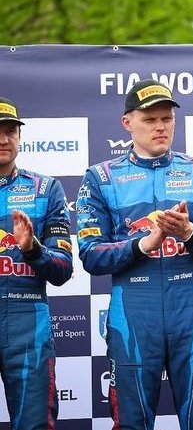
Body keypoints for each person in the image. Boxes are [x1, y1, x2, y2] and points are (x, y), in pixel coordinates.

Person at [76, 80, 193, 429]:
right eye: (149, 120)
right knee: (131, 423)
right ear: (127, 123)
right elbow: (90, 255)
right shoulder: (101, 177)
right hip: (134, 312)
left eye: (167, 119)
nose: (160, 127)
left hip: (191, 310)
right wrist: (143, 244)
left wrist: (190, 233)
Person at [0, 96, 73, 430]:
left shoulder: (46, 189)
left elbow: (62, 270)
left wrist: (31, 249)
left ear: (20, 136)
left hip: (27, 323)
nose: (4, 139)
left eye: (10, 131)